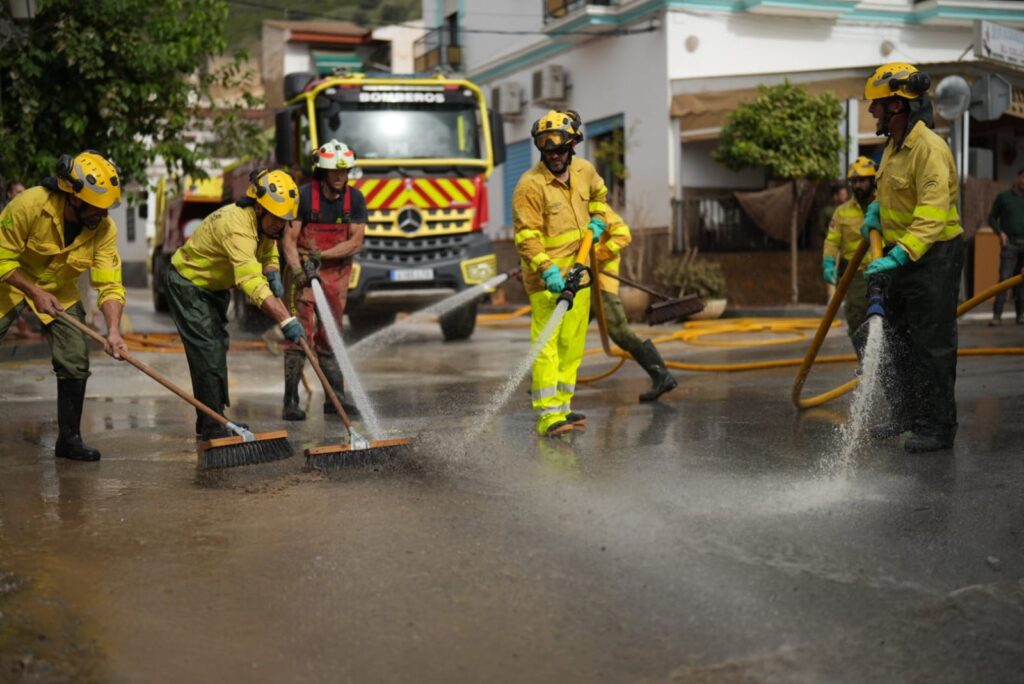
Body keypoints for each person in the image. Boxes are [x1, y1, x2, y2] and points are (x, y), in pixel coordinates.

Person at [860, 62, 964, 453]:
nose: (872, 111)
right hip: (902, 253)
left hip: (933, 255)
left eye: (877, 104)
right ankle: (906, 414)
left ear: (898, 107)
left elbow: (932, 214)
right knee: (892, 336)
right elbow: (895, 197)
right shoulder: (893, 147)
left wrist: (898, 255)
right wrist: (875, 212)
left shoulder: (929, 150)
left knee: (930, 343)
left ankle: (937, 428)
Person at [0, 152, 128, 461]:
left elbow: (109, 285)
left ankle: (69, 440)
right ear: (72, 197)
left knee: (74, 359)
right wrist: (32, 291)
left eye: (107, 208)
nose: (103, 215)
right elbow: (1, 256)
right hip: (9, 281)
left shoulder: (104, 230)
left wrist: (114, 331)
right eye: (97, 208)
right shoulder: (30, 204)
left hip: (59, 290)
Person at [166, 168, 305, 440]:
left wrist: (274, 272)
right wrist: (286, 319)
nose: (281, 226)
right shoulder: (236, 225)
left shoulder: (264, 223)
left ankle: (213, 416)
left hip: (214, 288)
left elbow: (268, 249)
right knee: (207, 351)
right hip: (189, 285)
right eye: (278, 219)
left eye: (286, 220)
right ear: (260, 207)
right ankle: (211, 425)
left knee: (217, 347)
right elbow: (250, 282)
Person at [513, 109, 608, 437]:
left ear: (572, 147)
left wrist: (598, 220)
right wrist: (548, 271)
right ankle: (547, 415)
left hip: (579, 275)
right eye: (548, 151)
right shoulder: (530, 185)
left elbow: (600, 196)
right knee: (547, 346)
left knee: (571, 345)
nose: (554, 156)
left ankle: (563, 408)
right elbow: (526, 236)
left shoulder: (585, 171)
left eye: (560, 150)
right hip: (547, 281)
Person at [280, 139, 367, 421]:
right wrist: (297, 271)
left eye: (344, 171)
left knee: (331, 336)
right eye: (334, 171)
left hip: (335, 274)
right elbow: (289, 240)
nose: (340, 176)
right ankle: (290, 400)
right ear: (322, 171)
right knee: (298, 334)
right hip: (304, 271)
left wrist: (324, 254)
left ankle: (335, 398)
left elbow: (356, 241)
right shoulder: (304, 197)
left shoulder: (354, 199)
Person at [594, 208, 678, 402]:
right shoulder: (572, 208)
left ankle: (661, 375)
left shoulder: (596, 208)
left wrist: (597, 256)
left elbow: (623, 234)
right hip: (583, 285)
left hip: (602, 286)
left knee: (620, 332)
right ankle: (550, 385)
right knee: (568, 332)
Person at [822, 156, 878, 358]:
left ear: (873, 181)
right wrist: (828, 263)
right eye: (854, 181)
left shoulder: (886, 206)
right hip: (857, 275)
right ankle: (866, 363)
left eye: (862, 180)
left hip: (886, 270)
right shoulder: (842, 212)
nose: (858, 185)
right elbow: (832, 241)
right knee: (856, 319)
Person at [986, 168, 1024, 325]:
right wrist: (1000, 233)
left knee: (1022, 281)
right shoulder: (1004, 197)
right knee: (1005, 279)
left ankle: (1021, 316)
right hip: (1010, 245)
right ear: (1019, 178)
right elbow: (992, 218)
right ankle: (997, 315)